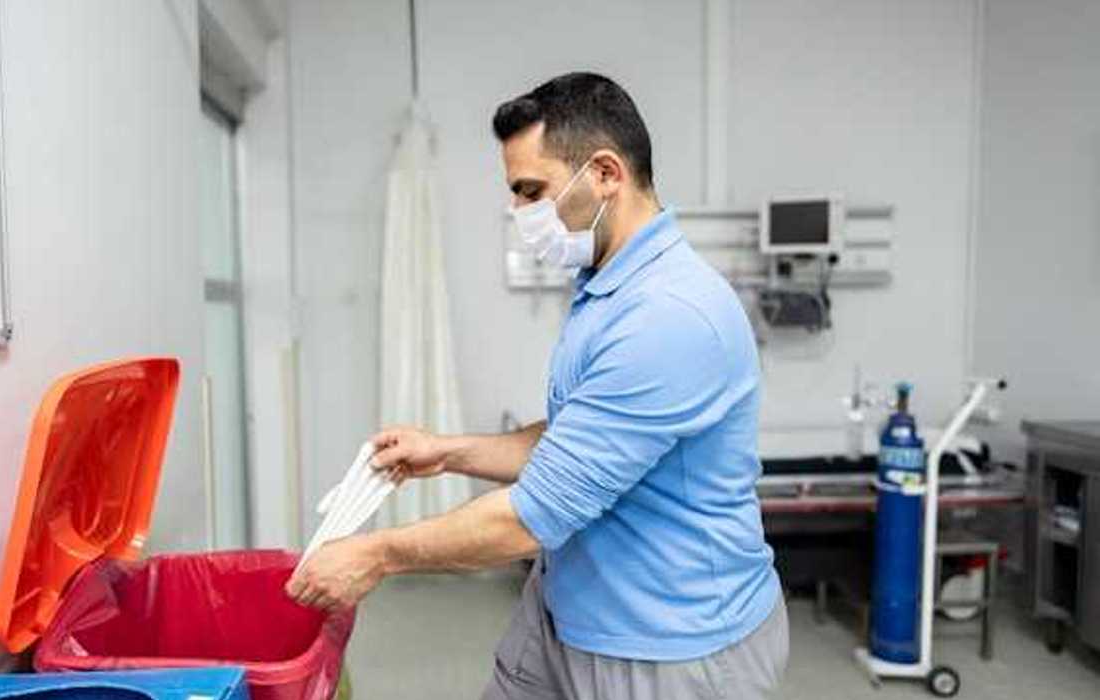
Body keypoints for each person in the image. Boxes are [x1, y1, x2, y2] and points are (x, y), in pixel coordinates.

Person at [286, 72, 788, 700]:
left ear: (606, 173)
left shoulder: (669, 317)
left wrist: (376, 554)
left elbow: (531, 518)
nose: (521, 213)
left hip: (666, 642)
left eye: (532, 191)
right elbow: (576, 444)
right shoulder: (608, 286)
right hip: (565, 608)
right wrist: (446, 452)